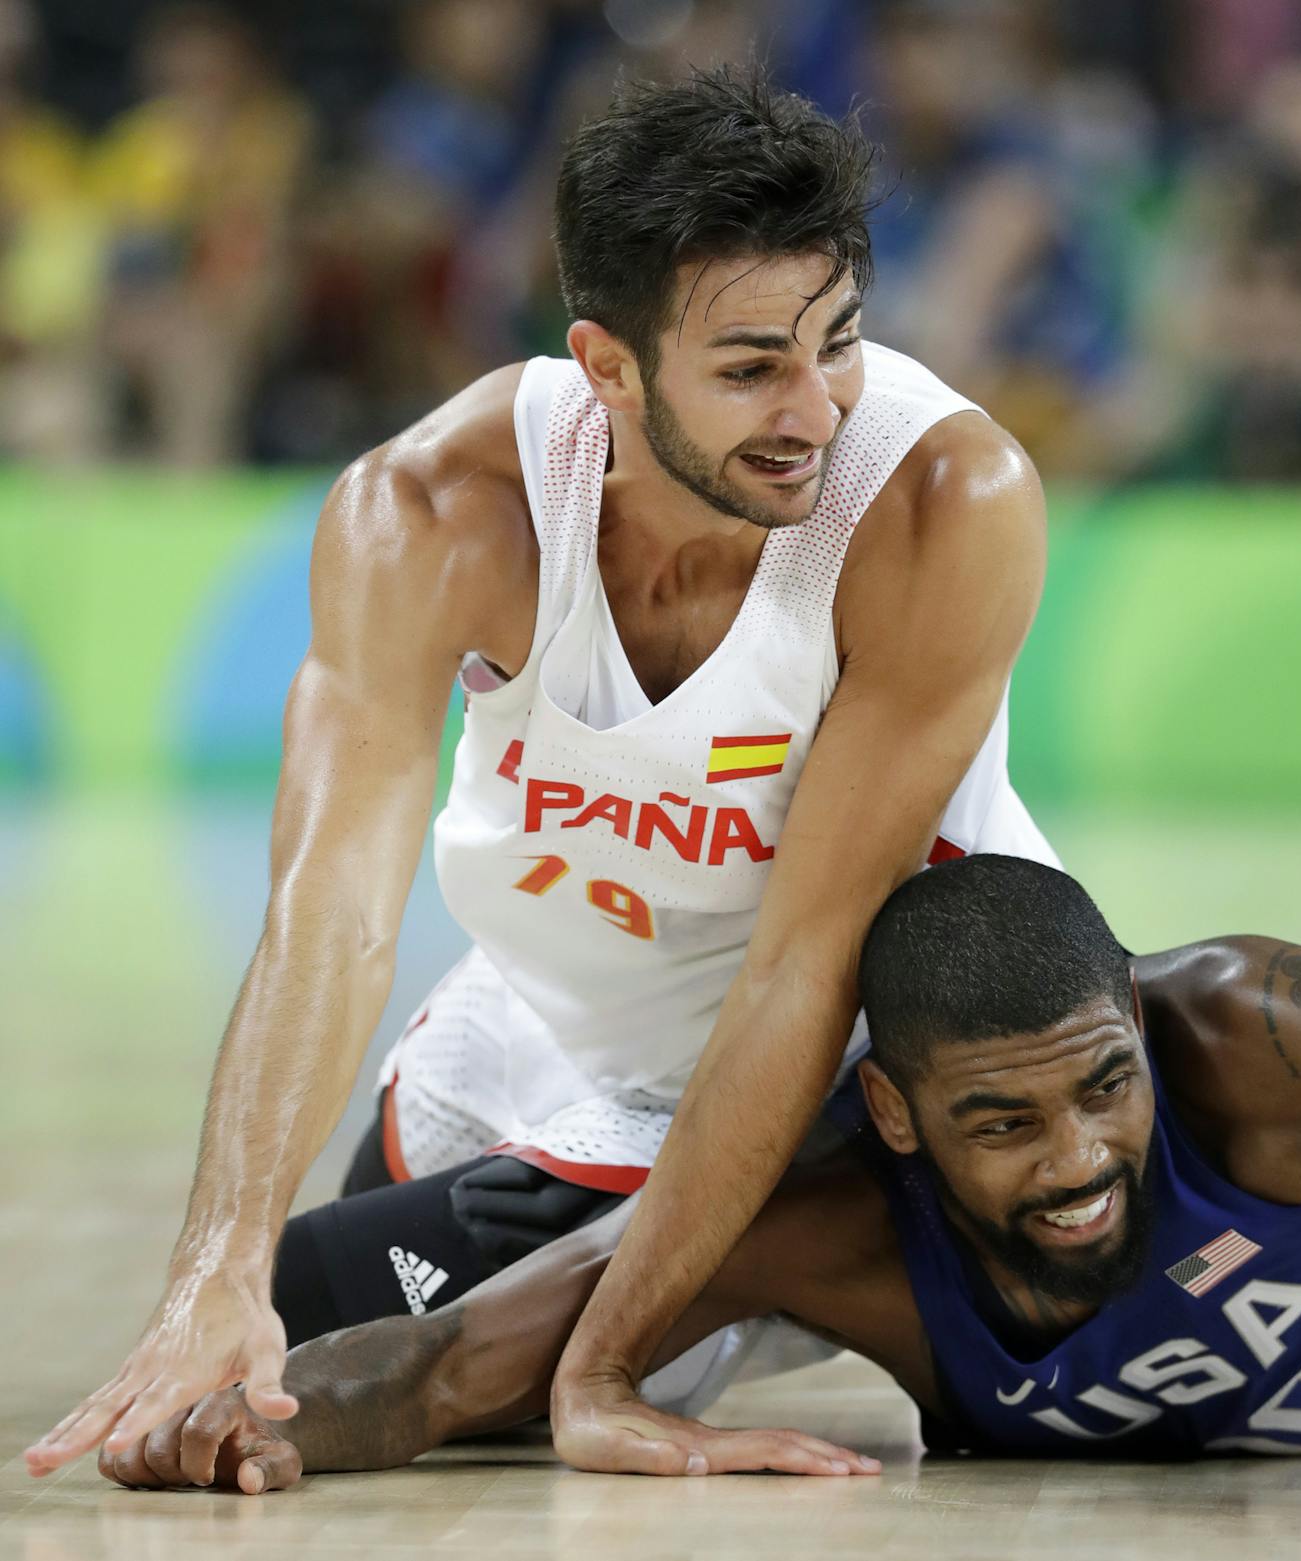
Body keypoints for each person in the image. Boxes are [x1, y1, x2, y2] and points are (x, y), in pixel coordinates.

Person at [27, 67, 1053, 1479]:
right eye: (752, 366)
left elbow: (803, 969)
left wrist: (608, 1367)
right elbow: (328, 912)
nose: (814, 410)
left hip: (795, 1074)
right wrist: (219, 1254)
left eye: (842, 344)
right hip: (530, 1005)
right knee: (249, 1319)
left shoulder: (940, 503)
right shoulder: (430, 512)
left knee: (331, 1368)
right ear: (608, 365)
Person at [93, 855, 1301, 1490]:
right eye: (1003, 1124)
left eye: (1101, 1088)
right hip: (646, 1056)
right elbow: (447, 1364)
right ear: (898, 1117)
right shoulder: (821, 1227)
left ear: (1138, 1033)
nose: (1078, 1159)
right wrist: (246, 1425)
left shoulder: (1255, 1033)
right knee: (336, 1275)